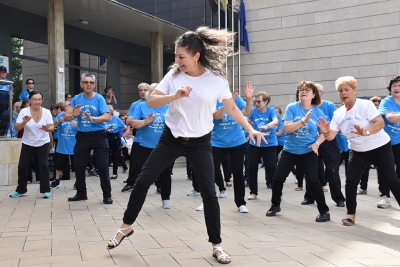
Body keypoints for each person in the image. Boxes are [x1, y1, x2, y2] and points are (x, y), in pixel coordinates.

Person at [106, 26, 266, 264]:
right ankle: (125, 227)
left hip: (201, 143)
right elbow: (152, 100)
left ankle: (217, 245)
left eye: (181, 57)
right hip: (171, 139)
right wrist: (175, 96)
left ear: (196, 56)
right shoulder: (174, 76)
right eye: (176, 56)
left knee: (210, 194)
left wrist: (250, 128)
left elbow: (231, 108)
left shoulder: (216, 80)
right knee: (142, 181)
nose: (177, 61)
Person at [318, 76, 400, 226]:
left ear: (354, 90)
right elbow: (331, 137)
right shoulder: (338, 113)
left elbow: (380, 123)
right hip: (358, 150)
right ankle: (350, 214)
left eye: (346, 89)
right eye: (340, 90)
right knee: (351, 182)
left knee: (391, 180)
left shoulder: (365, 105)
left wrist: (366, 133)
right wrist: (325, 131)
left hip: (379, 146)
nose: (343, 93)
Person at [266, 81, 330, 223]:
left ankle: (324, 211)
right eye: (301, 90)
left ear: (313, 95)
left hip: (308, 151)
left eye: (307, 90)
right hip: (290, 151)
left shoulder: (318, 112)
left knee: (313, 180)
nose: (303, 92)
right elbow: (287, 129)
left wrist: (317, 144)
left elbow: (324, 133)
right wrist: (302, 121)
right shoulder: (292, 108)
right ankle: (275, 205)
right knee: (278, 179)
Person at [64, 72, 113, 204]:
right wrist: (74, 115)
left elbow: (107, 117)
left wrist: (93, 118)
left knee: (103, 166)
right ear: (81, 84)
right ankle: (81, 193)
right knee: (79, 166)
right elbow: (66, 116)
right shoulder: (76, 99)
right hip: (82, 136)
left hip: (98, 135)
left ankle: (107, 195)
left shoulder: (99, 99)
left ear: (94, 85)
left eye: (91, 82)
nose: (89, 84)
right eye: (86, 82)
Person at [209, 83, 253, 212]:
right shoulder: (212, 99)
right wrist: (227, 104)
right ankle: (207, 200)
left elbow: (247, 112)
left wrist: (249, 99)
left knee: (238, 172)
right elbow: (216, 116)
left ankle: (240, 203)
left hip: (237, 141)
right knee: (211, 170)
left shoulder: (236, 98)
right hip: (217, 142)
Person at [301, 83, 346, 207]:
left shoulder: (329, 106)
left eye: (317, 91)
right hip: (312, 142)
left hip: (328, 142)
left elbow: (335, 122)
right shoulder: (308, 107)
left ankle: (338, 198)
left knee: (332, 171)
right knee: (311, 171)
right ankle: (309, 196)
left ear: (321, 93)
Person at [131, 82, 173, 208]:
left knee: (165, 174)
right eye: (154, 92)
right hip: (146, 146)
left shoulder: (169, 107)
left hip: (165, 146)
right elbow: (133, 123)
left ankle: (166, 198)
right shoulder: (142, 106)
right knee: (144, 174)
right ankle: (139, 199)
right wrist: (145, 121)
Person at [10, 91, 54, 198]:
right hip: (28, 142)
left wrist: (47, 128)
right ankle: (21, 190)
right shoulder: (24, 112)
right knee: (22, 166)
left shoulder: (47, 112)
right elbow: (16, 128)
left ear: (42, 100)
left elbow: (52, 127)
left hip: (43, 142)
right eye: (34, 99)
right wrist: (24, 122)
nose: (37, 101)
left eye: (39, 99)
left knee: (43, 164)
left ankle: (45, 190)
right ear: (29, 100)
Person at [247, 91, 278, 200]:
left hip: (269, 143)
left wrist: (266, 126)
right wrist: (247, 122)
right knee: (252, 166)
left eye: (258, 101)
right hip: (255, 143)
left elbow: (275, 121)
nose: (256, 103)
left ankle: (276, 191)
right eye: (255, 101)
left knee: (271, 167)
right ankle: (253, 192)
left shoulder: (271, 110)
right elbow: (245, 118)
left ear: (266, 102)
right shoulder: (253, 111)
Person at [377, 77, 400, 208]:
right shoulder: (386, 102)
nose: (396, 88)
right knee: (385, 169)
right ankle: (385, 196)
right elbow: (391, 118)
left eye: (399, 85)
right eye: (393, 86)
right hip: (385, 141)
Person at [121, 83, 148, 192]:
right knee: (134, 161)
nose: (143, 92)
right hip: (139, 138)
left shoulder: (154, 104)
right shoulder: (135, 105)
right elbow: (129, 121)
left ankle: (160, 184)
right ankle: (131, 182)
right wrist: (128, 129)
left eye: (145, 90)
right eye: (141, 90)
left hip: (154, 139)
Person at [50, 106, 78, 189]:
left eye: (69, 106)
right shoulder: (61, 115)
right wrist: (58, 121)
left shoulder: (77, 115)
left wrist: (77, 124)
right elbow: (52, 126)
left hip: (74, 145)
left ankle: (78, 182)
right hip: (62, 144)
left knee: (76, 165)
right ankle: (57, 180)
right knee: (59, 164)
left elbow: (84, 127)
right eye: (65, 107)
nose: (67, 108)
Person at [105, 104, 129, 179]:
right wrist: (107, 128)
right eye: (106, 113)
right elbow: (100, 130)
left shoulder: (115, 119)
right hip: (106, 138)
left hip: (115, 139)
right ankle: (104, 172)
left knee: (115, 155)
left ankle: (115, 173)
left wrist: (126, 131)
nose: (107, 114)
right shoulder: (103, 120)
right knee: (105, 155)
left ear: (111, 113)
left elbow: (124, 126)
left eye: (108, 113)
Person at [0, 66, 13, 135]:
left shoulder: (9, 82)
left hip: (7, 105)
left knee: (7, 119)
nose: (3, 74)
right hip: (1, 104)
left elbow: (12, 94)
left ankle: (5, 133)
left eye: (4, 72)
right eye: (1, 72)